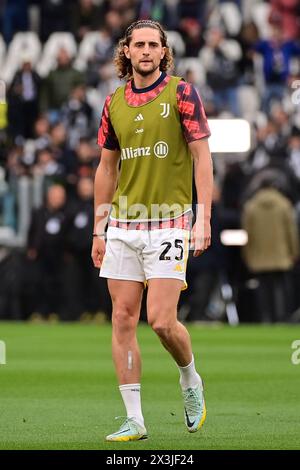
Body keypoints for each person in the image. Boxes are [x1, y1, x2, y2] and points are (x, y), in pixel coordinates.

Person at [91, 20, 213, 442]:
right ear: (126, 50)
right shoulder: (113, 103)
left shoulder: (181, 92)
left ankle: (190, 379)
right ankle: (135, 419)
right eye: (138, 44)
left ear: (164, 52)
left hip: (170, 220)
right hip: (123, 223)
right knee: (123, 318)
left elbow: (202, 157)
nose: (145, 51)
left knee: (161, 321)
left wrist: (204, 217)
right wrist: (99, 229)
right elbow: (106, 168)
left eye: (153, 45)